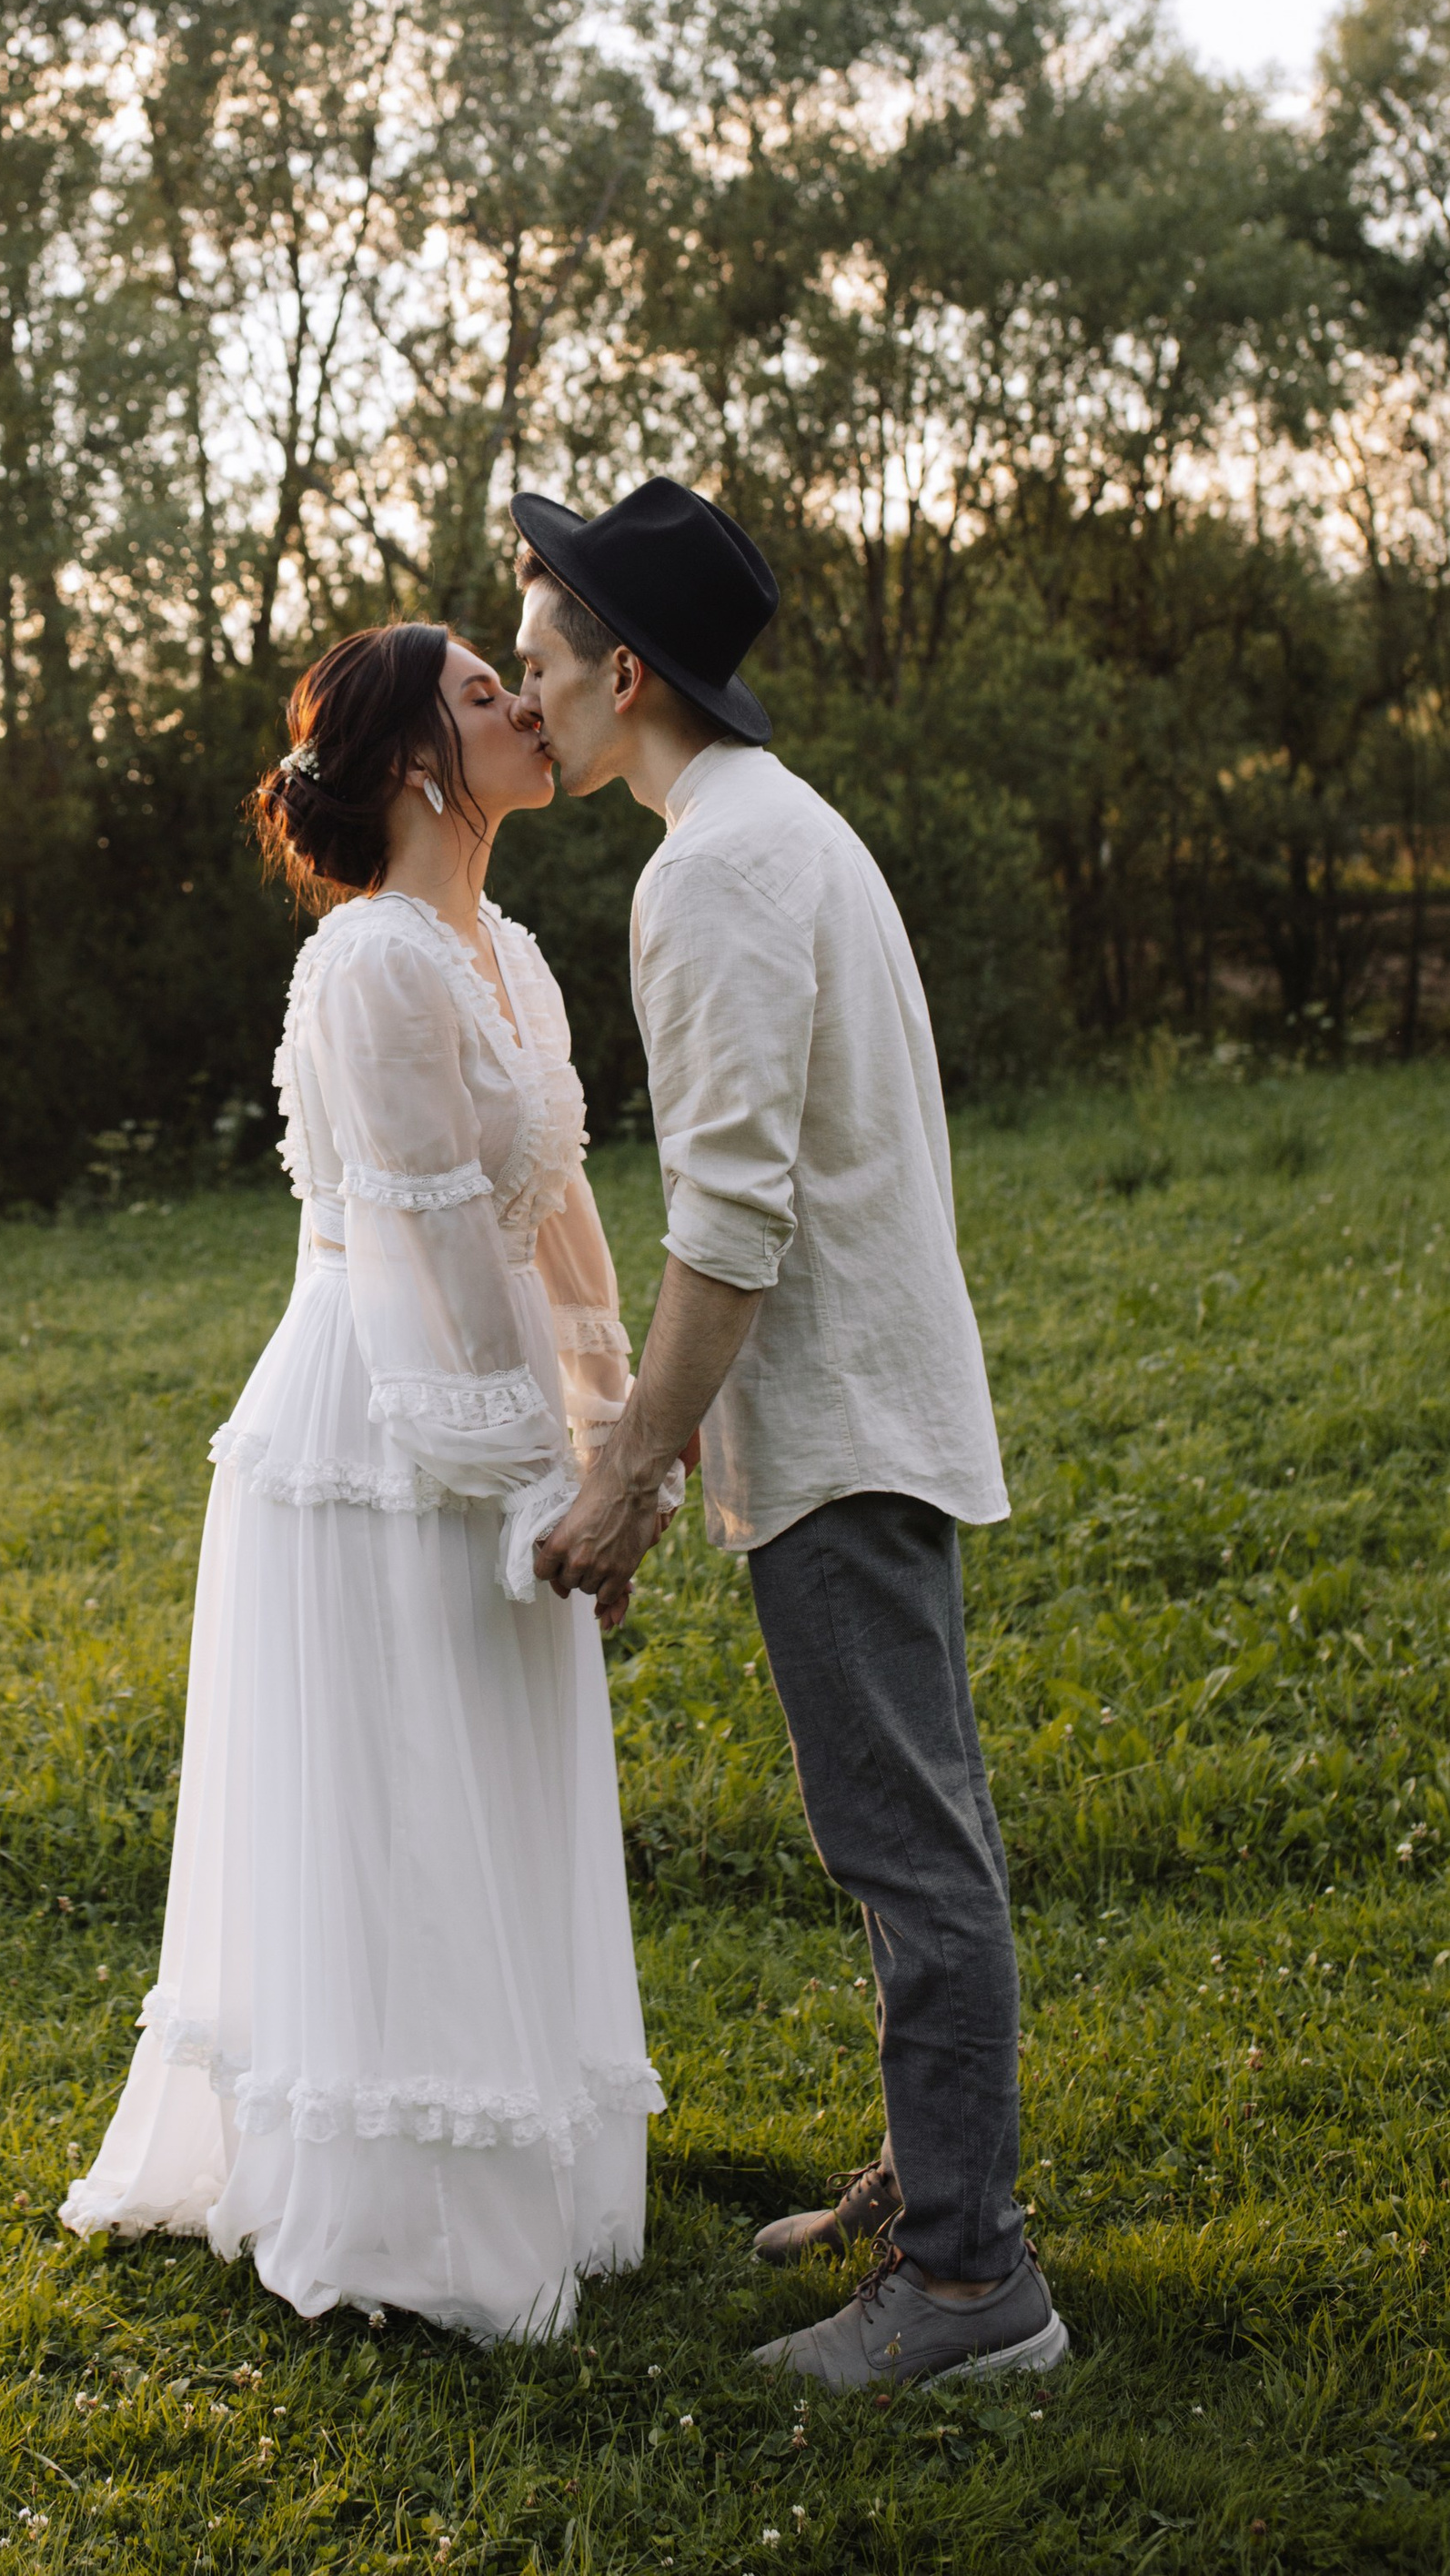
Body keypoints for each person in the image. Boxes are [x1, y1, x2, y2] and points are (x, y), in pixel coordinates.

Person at [508, 477, 1069, 2394]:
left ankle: (972, 2285)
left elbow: (729, 1222)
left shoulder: (714, 870)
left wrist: (626, 1475)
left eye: (540, 666)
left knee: (905, 1853)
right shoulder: (764, 827)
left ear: (626, 672)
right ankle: (935, 2182)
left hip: (835, 1427)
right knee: (919, 1833)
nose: (527, 702)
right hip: (864, 1409)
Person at [61, 621, 670, 2342]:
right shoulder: (377, 964)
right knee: (406, 1778)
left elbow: (552, 1208)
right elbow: (419, 1248)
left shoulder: (513, 957)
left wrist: (612, 1426)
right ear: (418, 760)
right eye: (488, 696)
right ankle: (403, 2205)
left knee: (492, 1768)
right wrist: (525, 1473)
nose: (528, 709)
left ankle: (523, 2148)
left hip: (486, 1396)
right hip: (379, 1418)